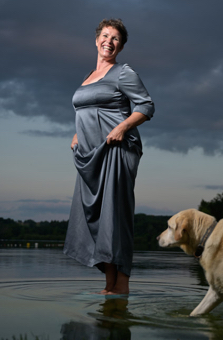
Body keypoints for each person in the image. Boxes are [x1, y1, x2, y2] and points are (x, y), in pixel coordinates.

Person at [63, 18, 154, 295]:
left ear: (121, 46)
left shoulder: (123, 73)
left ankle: (121, 285)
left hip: (117, 151)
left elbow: (146, 105)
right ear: (96, 40)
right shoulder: (88, 77)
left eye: (115, 38)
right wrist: (77, 133)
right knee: (98, 217)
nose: (109, 41)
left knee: (116, 216)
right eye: (105, 36)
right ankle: (108, 287)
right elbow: (85, 110)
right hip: (90, 155)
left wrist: (123, 127)